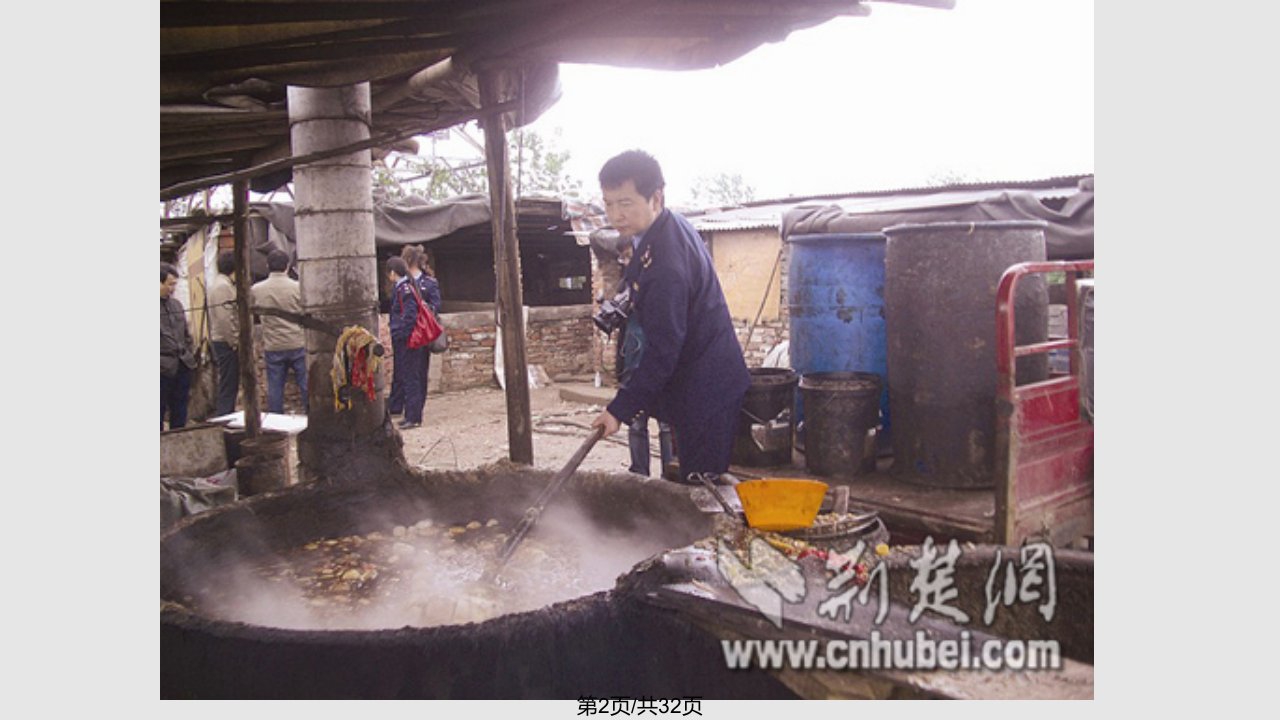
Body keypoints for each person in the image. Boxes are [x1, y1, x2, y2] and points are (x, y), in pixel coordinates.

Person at [589, 150, 750, 484]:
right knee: (699, 480)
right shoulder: (661, 231)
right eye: (608, 203)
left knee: (705, 489)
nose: (615, 215)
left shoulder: (665, 263)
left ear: (656, 198)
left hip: (707, 389)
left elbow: (664, 348)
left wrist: (619, 410)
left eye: (626, 203)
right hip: (698, 383)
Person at [251, 249, 308, 414]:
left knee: (275, 387)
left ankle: (276, 424)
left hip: (273, 345)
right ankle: (312, 417)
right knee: (305, 385)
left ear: (267, 266)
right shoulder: (298, 287)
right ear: (288, 266)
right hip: (297, 342)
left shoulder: (256, 290)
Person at [386, 256, 427, 429]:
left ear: (393, 273)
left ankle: (413, 416)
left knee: (411, 378)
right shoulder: (403, 288)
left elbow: (409, 316)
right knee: (408, 376)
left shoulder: (405, 290)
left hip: (408, 341)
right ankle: (410, 414)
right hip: (406, 339)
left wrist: (400, 334)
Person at [161, 262, 197, 429]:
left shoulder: (176, 305)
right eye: (170, 284)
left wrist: (188, 352)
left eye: (175, 284)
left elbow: (185, 334)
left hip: (182, 364)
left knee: (180, 409)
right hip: (162, 368)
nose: (173, 288)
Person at [207, 251, 240, 416]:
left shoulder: (223, 284)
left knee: (230, 382)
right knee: (228, 382)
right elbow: (224, 318)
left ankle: (227, 414)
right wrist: (234, 341)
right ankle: (225, 416)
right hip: (224, 342)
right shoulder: (222, 287)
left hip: (224, 340)